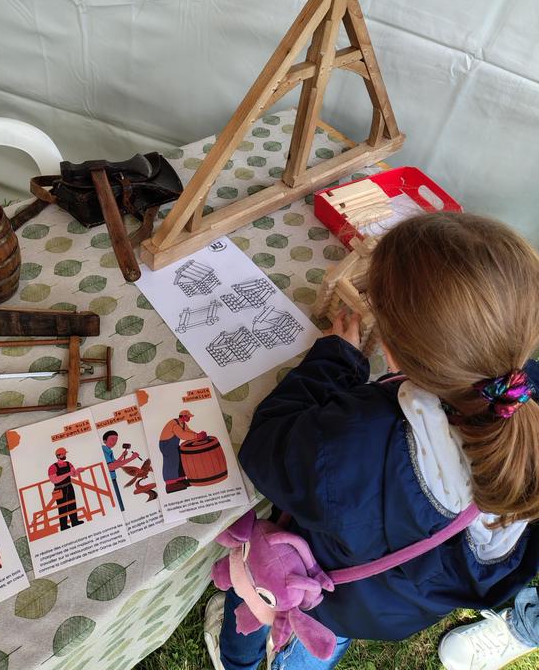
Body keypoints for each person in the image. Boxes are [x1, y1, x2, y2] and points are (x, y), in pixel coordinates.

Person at [204, 212, 539, 670]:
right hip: (385, 606)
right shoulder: (523, 412)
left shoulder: (354, 439)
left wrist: (335, 360)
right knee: (329, 632)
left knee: (265, 604)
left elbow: (265, 445)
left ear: (393, 351)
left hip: (318, 585)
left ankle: (238, 659)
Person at [159, 409, 206, 493]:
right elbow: (182, 435)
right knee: (171, 462)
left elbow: (188, 431)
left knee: (180, 460)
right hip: (167, 445)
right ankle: (170, 483)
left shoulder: (183, 424)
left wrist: (198, 435)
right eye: (188, 417)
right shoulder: (175, 424)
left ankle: (181, 480)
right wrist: (197, 436)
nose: (189, 418)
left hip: (173, 445)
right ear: (184, 416)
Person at [101, 430, 140, 512]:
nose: (114, 442)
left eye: (116, 439)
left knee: (117, 499)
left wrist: (122, 456)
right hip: (109, 480)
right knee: (116, 501)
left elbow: (115, 463)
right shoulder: (104, 450)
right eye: (112, 439)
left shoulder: (109, 450)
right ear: (105, 440)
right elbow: (111, 467)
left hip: (112, 478)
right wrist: (132, 458)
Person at [47, 447, 84, 531]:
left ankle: (74, 521)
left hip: (69, 486)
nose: (65, 455)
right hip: (59, 489)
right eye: (63, 454)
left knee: (72, 504)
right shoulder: (52, 467)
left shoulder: (68, 464)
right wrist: (68, 474)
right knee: (62, 507)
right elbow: (54, 480)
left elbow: (73, 474)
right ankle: (63, 526)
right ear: (58, 455)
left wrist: (78, 471)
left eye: (65, 453)